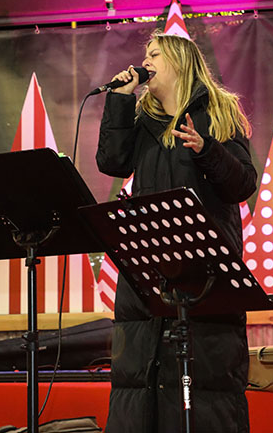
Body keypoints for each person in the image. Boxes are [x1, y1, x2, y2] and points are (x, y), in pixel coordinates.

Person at [96, 31, 258, 433]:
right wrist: (119, 100)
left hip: (203, 276)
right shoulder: (142, 121)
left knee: (203, 394)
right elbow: (112, 162)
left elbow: (242, 184)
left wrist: (206, 149)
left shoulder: (218, 112)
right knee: (141, 389)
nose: (145, 61)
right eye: (146, 54)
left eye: (155, 54)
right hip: (147, 274)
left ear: (181, 62)